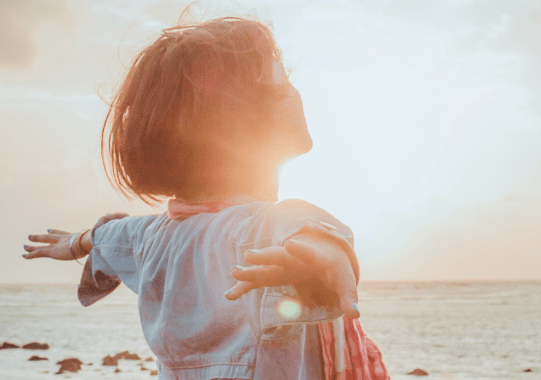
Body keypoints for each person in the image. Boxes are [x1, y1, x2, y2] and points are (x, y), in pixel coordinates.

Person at [23, 16, 388, 380]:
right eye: (280, 80)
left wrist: (76, 242)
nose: (293, 90)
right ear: (235, 121)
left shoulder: (152, 236)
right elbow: (299, 227)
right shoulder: (257, 228)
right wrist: (323, 253)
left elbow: (110, 235)